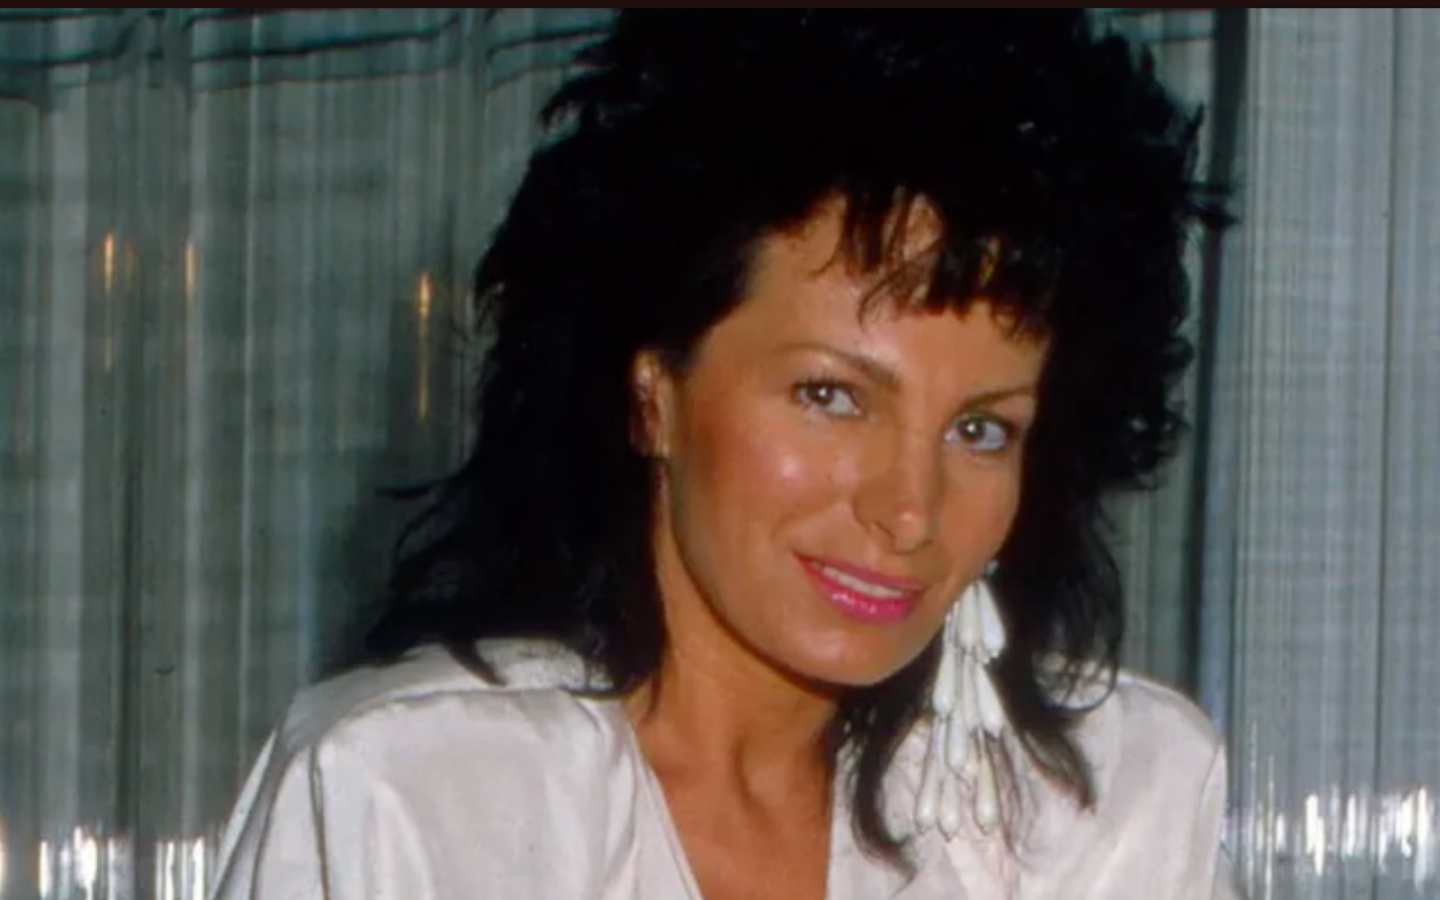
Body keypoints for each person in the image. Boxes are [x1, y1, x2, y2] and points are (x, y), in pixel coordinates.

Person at [210, 10, 1236, 900]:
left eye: (980, 429)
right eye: (831, 396)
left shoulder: (1108, 800)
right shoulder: (415, 788)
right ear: (652, 391)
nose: (909, 510)